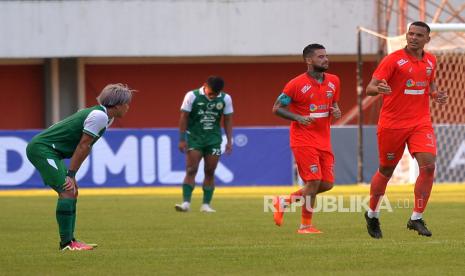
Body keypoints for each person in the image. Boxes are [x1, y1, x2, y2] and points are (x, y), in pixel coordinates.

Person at [364, 21, 448, 239]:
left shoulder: (431, 60)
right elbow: (370, 87)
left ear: (427, 39)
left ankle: (416, 218)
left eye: (419, 35)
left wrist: (435, 94)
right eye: (410, 34)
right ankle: (372, 214)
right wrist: (378, 89)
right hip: (392, 124)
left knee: (428, 167)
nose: (413, 38)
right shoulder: (393, 60)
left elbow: (428, 84)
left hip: (420, 122)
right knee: (386, 170)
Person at [26, 83, 134, 250]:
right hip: (43, 150)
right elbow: (83, 146)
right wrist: (71, 174)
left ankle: (71, 242)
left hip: (52, 152)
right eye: (127, 103)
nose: (128, 107)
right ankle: (67, 244)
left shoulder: (105, 117)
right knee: (67, 190)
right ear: (118, 104)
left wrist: (72, 174)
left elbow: (85, 146)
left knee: (72, 192)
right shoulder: (100, 116)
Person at [272, 43, 342, 234]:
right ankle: (305, 226)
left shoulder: (334, 81)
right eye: (320, 57)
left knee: (326, 184)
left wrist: (336, 110)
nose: (325, 59)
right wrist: (298, 118)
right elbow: (277, 108)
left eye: (326, 56)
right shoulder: (295, 84)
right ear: (308, 60)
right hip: (303, 139)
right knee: (313, 181)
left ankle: (285, 201)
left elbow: (333, 104)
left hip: (324, 139)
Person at [175, 76, 233, 213]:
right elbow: (183, 117)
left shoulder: (226, 99)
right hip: (195, 138)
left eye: (216, 94)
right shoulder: (192, 96)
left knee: (210, 171)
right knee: (191, 169)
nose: (213, 96)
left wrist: (229, 140)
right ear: (204, 86)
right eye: (211, 93)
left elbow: (228, 120)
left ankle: (206, 205)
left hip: (213, 139)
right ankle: (186, 203)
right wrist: (182, 139)